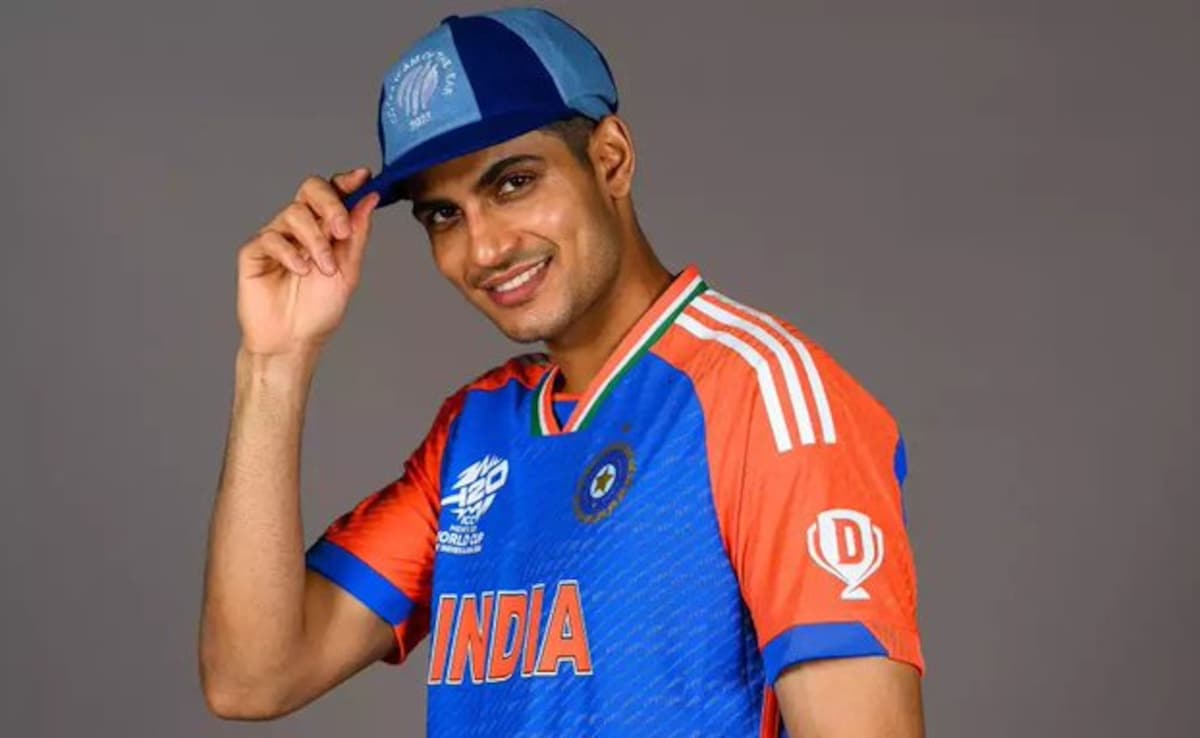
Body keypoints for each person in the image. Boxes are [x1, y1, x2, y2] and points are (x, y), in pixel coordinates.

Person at [199, 8, 925, 737]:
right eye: (443, 216)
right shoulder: (475, 432)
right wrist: (274, 361)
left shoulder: (763, 396)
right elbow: (252, 676)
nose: (484, 249)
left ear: (610, 160)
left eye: (513, 183)